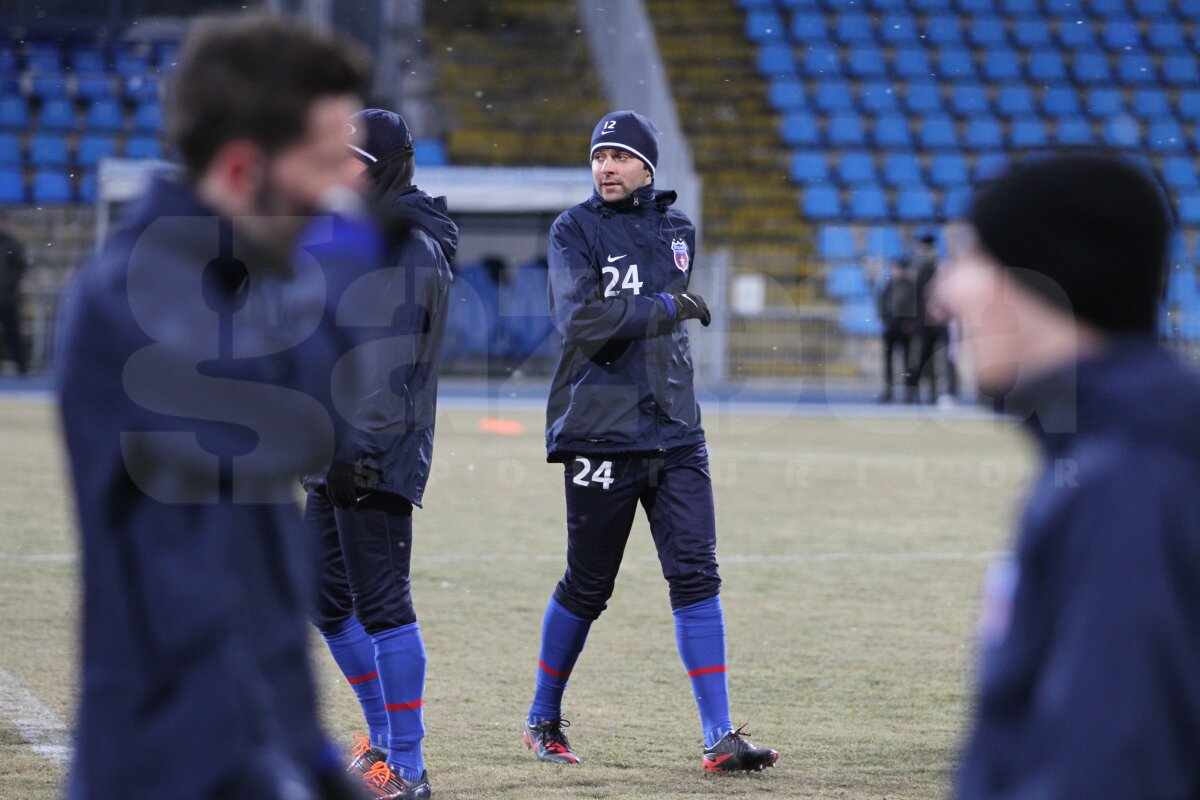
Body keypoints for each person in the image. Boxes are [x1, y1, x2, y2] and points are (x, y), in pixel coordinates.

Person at [56, 15, 377, 800]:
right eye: (326, 164)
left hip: (253, 746)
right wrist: (346, 257)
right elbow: (310, 418)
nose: (345, 188)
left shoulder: (238, 284)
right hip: (173, 763)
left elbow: (251, 577)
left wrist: (308, 755)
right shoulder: (132, 298)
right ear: (239, 171)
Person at [933, 154, 1200, 799]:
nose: (944, 295)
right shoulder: (1107, 451)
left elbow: (1109, 764)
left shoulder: (1130, 481)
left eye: (972, 259)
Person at [522, 110, 778, 773]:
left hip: (677, 432)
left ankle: (719, 735)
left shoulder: (677, 230)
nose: (605, 166)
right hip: (600, 433)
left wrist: (661, 318)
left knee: (697, 575)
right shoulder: (573, 229)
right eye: (597, 155)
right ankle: (542, 717)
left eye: (617, 155)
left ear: (646, 166)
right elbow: (581, 322)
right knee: (588, 585)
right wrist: (664, 308)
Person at [304, 108, 457, 800]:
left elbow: (390, 365)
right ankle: (382, 739)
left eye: (353, 163)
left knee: (384, 605)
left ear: (386, 169)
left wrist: (357, 448)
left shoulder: (410, 246)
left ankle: (409, 767)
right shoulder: (363, 235)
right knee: (323, 596)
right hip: (334, 447)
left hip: (373, 451)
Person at [876, 255, 917, 403]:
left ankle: (908, 392)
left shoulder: (910, 286)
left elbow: (914, 305)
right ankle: (888, 390)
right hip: (890, 327)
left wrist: (909, 322)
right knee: (888, 360)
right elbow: (881, 302)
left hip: (904, 328)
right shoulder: (888, 285)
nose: (894, 271)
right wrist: (883, 318)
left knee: (907, 361)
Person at [0, 212, 28, 374]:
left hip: (8, 298)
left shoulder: (11, 243)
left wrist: (10, 284)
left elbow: (20, 266)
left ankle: (21, 367)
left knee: (13, 333)